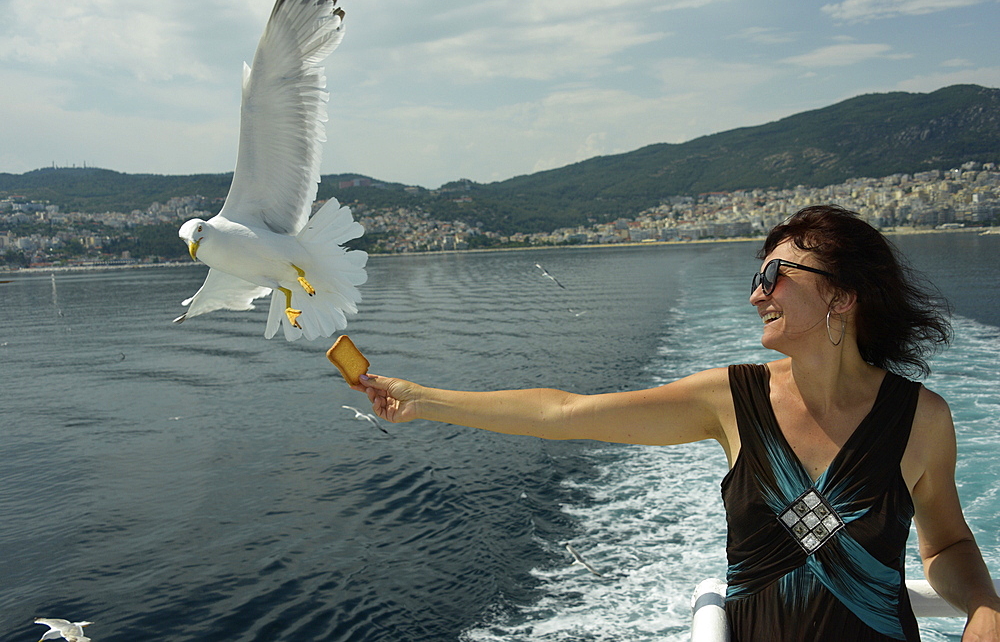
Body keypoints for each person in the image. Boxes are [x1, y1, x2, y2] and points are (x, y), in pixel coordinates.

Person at [351, 205, 1000, 641]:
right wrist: (425, 399)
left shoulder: (919, 419)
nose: (756, 293)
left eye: (774, 274)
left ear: (842, 293)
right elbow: (567, 413)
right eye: (755, 276)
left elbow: (947, 547)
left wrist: (985, 610)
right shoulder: (730, 398)